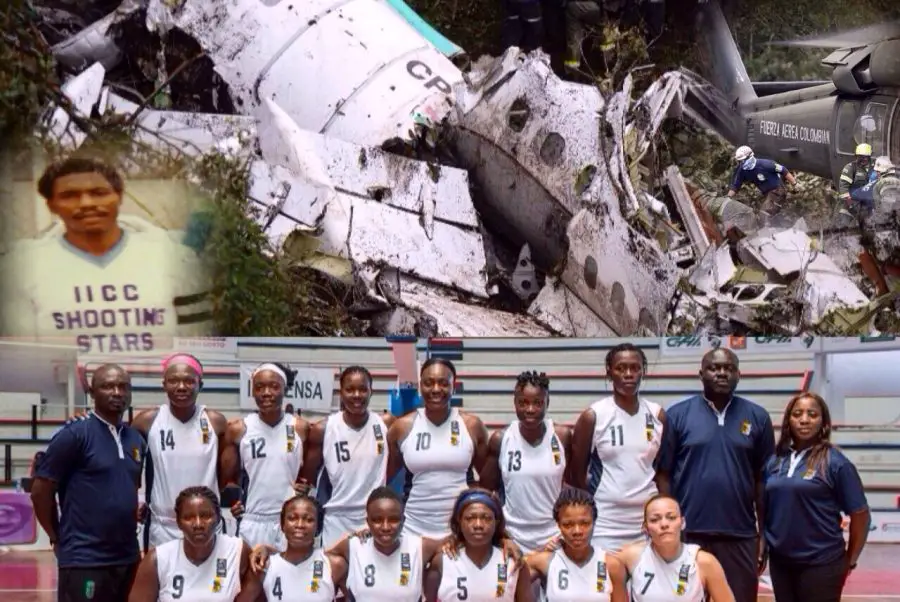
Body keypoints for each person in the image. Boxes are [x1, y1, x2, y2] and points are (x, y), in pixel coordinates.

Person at [0, 155, 213, 352]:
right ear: (52, 205)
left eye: (99, 193)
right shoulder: (22, 269)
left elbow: (198, 345)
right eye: (70, 196)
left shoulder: (174, 258)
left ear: (119, 197)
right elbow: (22, 359)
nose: (87, 204)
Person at [655, 347, 775, 602]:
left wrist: (763, 534)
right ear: (701, 374)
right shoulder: (677, 415)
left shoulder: (758, 417)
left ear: (739, 375)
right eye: (714, 368)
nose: (721, 373)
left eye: (728, 368)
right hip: (688, 534)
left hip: (740, 534)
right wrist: (672, 522)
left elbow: (762, 481)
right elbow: (663, 474)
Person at [31, 364, 145, 602]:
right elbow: (41, 491)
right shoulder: (74, 434)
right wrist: (55, 536)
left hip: (128, 557)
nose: (117, 392)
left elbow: (127, 487)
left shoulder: (135, 438)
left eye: (123, 387)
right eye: (108, 386)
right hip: (85, 558)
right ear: (92, 393)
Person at [763, 392, 870, 602]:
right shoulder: (775, 461)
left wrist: (850, 560)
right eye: (797, 414)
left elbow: (861, 515)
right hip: (781, 564)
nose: (804, 420)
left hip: (822, 564)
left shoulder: (836, 463)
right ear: (788, 420)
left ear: (823, 422)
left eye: (812, 414)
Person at [570, 343, 664, 552]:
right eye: (621, 368)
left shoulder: (657, 415)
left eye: (635, 368)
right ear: (609, 372)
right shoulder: (594, 416)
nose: (628, 374)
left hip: (647, 521)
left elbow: (662, 472)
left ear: (643, 371)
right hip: (606, 523)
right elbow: (577, 475)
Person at [131, 353, 228, 550]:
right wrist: (137, 500)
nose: (181, 387)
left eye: (189, 381)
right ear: (164, 385)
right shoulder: (147, 421)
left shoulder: (215, 422)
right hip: (163, 525)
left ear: (200, 385)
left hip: (205, 524)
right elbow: (131, 468)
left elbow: (225, 474)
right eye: (173, 380)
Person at [386, 358, 490, 539]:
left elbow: (488, 481)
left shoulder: (472, 426)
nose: (435, 389)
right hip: (413, 529)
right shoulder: (402, 427)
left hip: (459, 533)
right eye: (429, 383)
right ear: (420, 386)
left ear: (453, 387)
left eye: (443, 383)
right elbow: (383, 477)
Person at [220, 362, 315, 551]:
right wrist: (234, 502)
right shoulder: (238, 429)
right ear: (252, 391)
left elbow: (307, 474)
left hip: (291, 519)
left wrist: (305, 486)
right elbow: (226, 479)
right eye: (259, 387)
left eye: (274, 386)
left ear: (285, 389)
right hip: (253, 518)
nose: (266, 393)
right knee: (253, 569)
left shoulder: (300, 428)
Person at [303, 365, 395, 549]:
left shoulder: (386, 423)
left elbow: (394, 464)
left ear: (371, 391)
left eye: (362, 389)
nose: (356, 395)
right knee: (336, 567)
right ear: (341, 392)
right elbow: (309, 474)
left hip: (374, 515)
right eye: (350, 389)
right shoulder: (324, 429)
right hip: (337, 517)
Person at [480, 371, 571, 552]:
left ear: (547, 402)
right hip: (512, 536)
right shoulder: (501, 439)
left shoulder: (562, 436)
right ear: (515, 403)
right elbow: (485, 491)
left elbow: (573, 485)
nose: (530, 409)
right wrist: (500, 533)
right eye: (523, 402)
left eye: (538, 403)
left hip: (553, 535)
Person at [128, 486, 252, 602]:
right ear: (178, 522)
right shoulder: (158, 559)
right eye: (188, 517)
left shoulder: (237, 551)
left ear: (218, 518)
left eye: (205, 516)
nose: (198, 524)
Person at [618, 495, 736, 602]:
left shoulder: (704, 562)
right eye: (655, 520)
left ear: (682, 523)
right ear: (645, 528)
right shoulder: (632, 557)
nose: (664, 524)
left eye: (671, 517)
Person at [425, 489, 533, 602]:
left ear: (496, 522)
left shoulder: (513, 562)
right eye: (470, 518)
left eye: (486, 518)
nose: (478, 525)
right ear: (459, 521)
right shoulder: (443, 561)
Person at [523, 488, 628, 602]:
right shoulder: (545, 562)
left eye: (585, 523)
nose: (577, 531)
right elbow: (512, 576)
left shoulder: (612, 566)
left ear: (594, 522)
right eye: (568, 524)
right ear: (558, 525)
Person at [236, 495, 345, 601]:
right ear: (282, 525)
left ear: (318, 527)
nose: (300, 525)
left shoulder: (333, 565)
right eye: (292, 518)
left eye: (309, 520)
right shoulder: (264, 566)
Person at [727, 146, 796, 216]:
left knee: (764, 213)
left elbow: (783, 170)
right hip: (765, 193)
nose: (741, 163)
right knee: (756, 208)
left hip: (777, 190)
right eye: (739, 161)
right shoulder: (742, 171)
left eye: (742, 161)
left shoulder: (765, 164)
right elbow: (736, 185)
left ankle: (768, 222)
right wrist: (728, 198)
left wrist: (794, 184)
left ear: (750, 157)